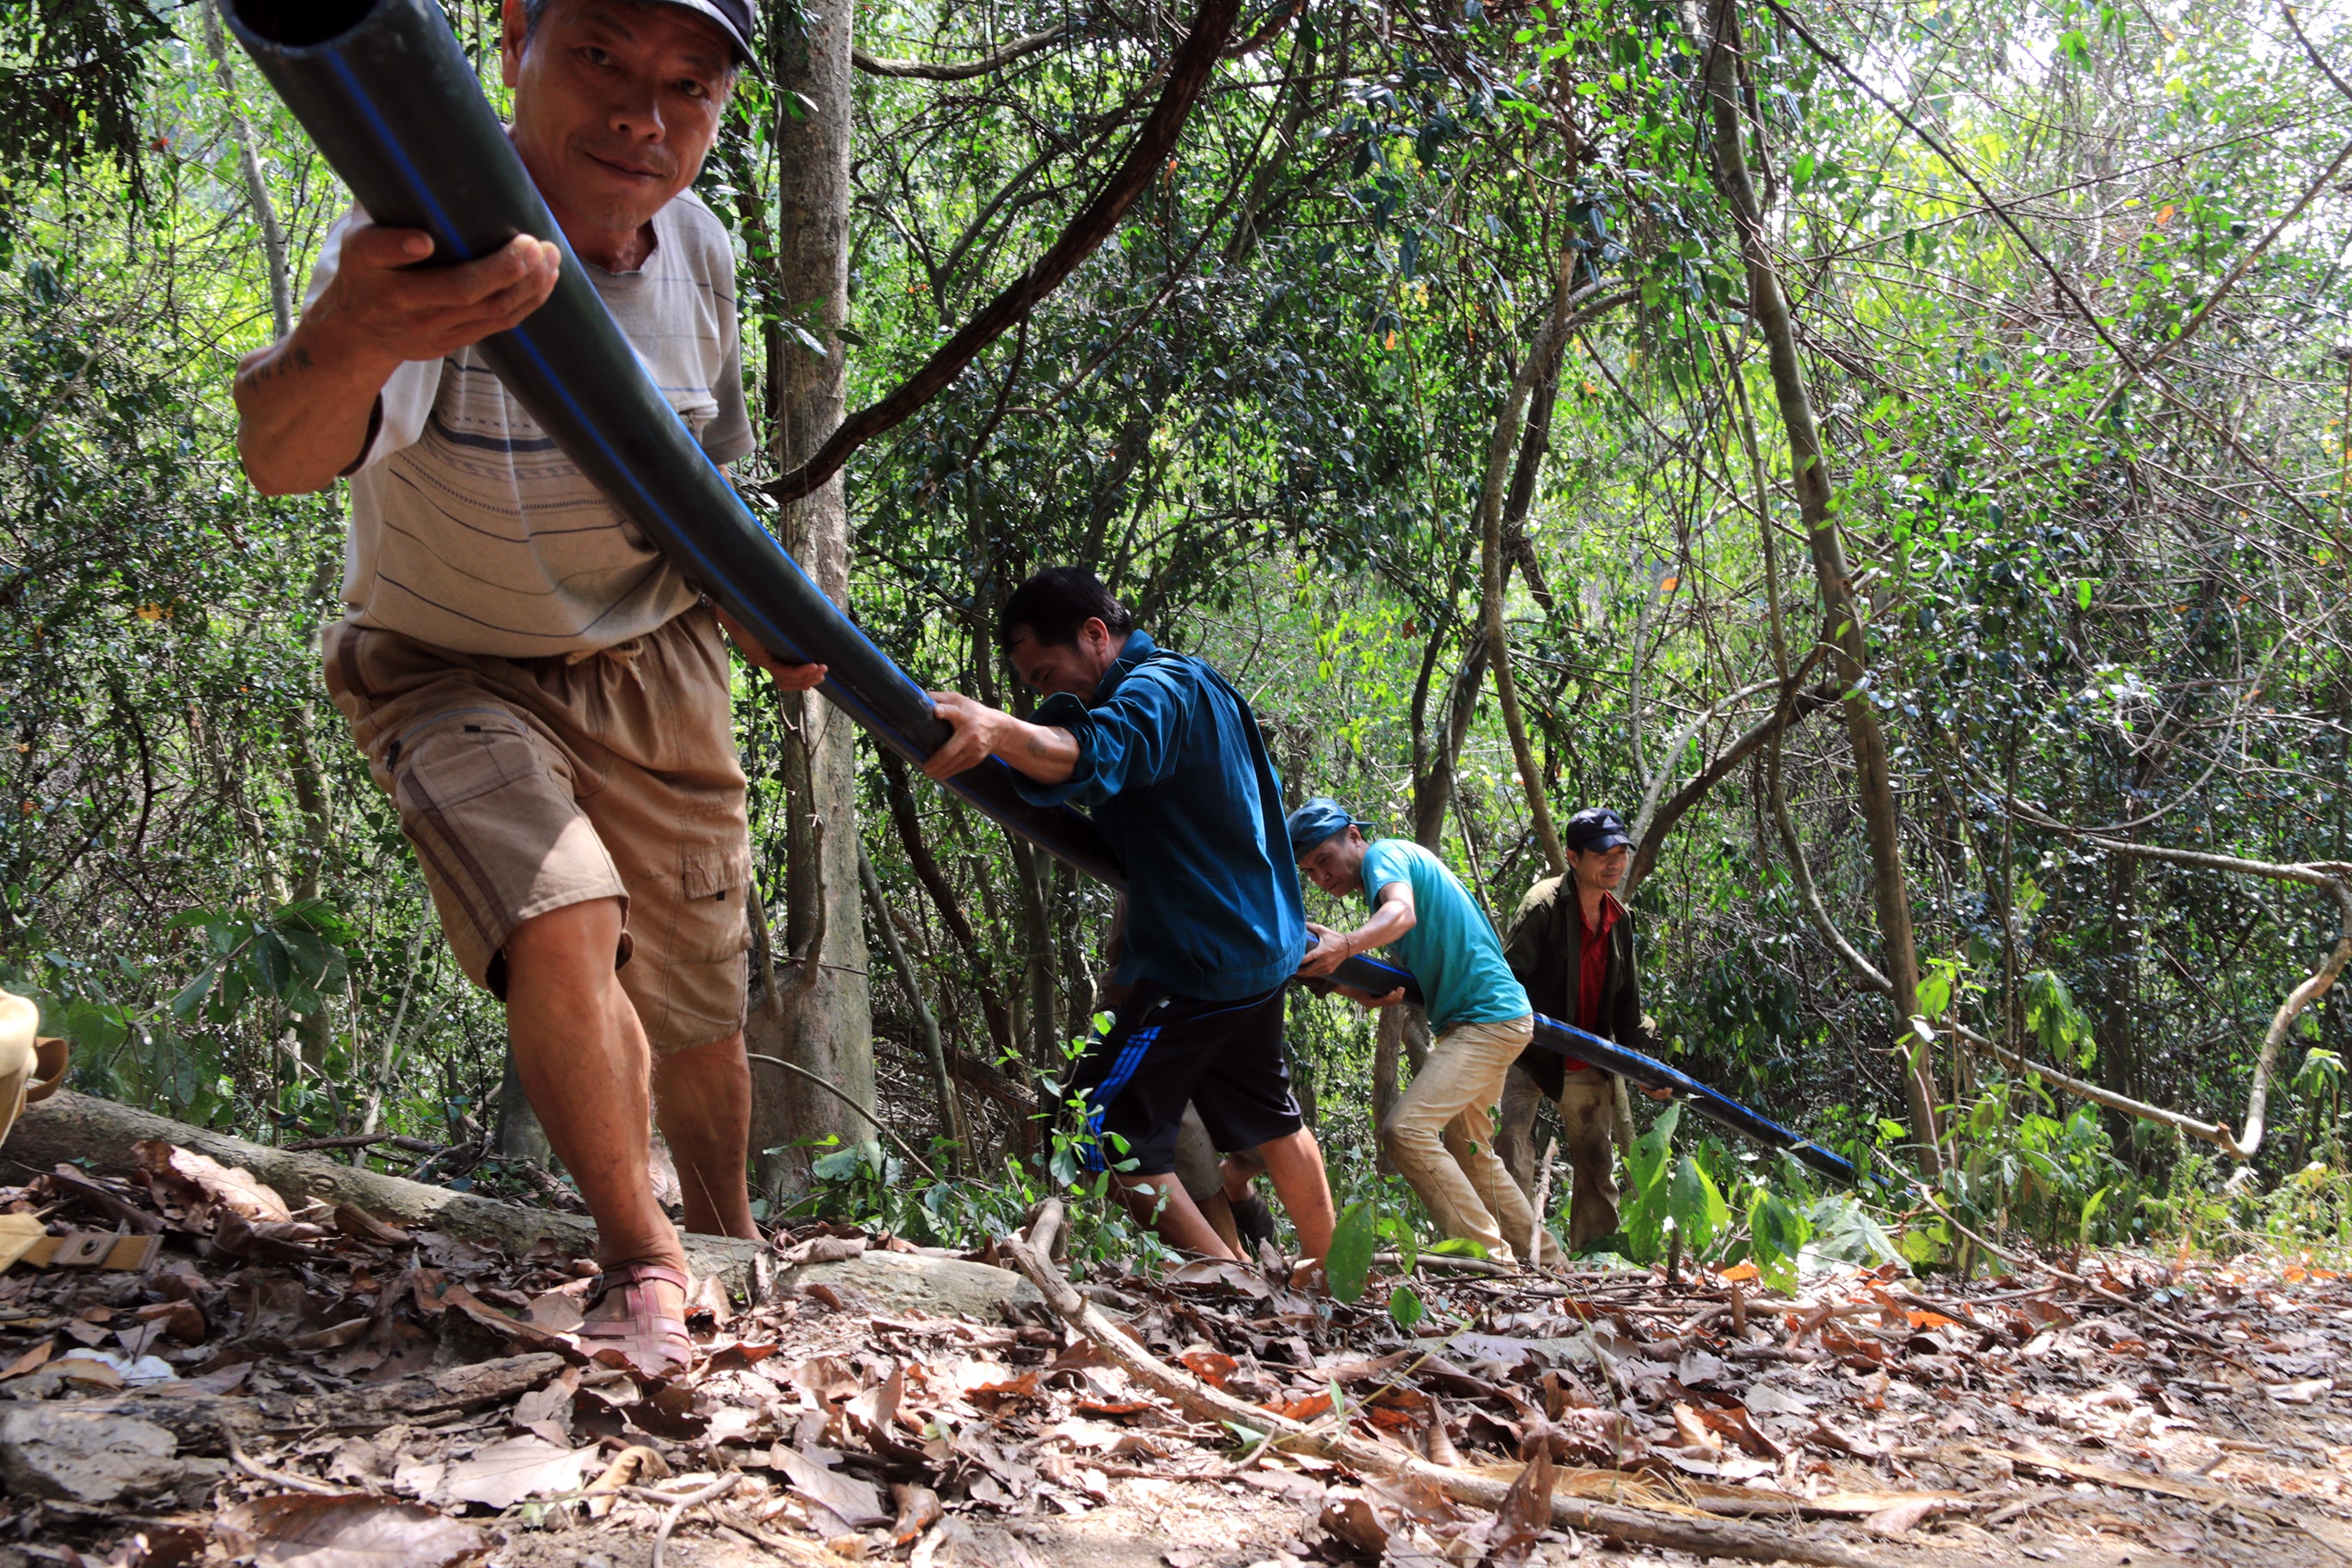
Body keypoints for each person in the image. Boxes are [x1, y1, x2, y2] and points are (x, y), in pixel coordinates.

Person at [231, 0, 822, 1377]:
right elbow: (279, 450)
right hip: (445, 657)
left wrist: (755, 605)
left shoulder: (703, 253)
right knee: (563, 914)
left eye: (688, 84)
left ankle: (728, 1234)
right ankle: (648, 1270)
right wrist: (355, 328)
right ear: (515, 46)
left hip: (650, 651)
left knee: (697, 1002)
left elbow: (706, 480)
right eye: (603, 58)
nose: (642, 115)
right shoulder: (427, 219)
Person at [922, 569, 1337, 1267]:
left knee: (1097, 1131)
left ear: (1095, 635)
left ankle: (1237, 1289)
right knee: (1272, 1117)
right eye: (1035, 686)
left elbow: (1098, 748)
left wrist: (997, 730)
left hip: (1199, 961)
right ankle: (1338, 1279)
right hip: (1261, 952)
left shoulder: (1157, 688)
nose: (1052, 692)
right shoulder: (1195, 683)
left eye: (1051, 672)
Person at [1292, 801, 1553, 1267]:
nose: (1321, 877)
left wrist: (1346, 943)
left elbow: (1402, 914)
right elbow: (1404, 969)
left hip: (1486, 1020)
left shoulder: (1384, 856)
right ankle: (1550, 1263)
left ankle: (1491, 1262)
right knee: (1470, 1151)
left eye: (1324, 860)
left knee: (1405, 1130)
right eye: (1309, 871)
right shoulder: (1393, 873)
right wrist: (1351, 980)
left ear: (1354, 836)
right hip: (1482, 1020)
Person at [1502, 805, 1663, 1253]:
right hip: (1527, 1052)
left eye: (1620, 852)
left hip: (1587, 1055)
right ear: (1573, 858)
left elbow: (1627, 1004)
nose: (1614, 862)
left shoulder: (1619, 918)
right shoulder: (1542, 905)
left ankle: (1595, 1259)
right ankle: (1516, 1256)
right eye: (1601, 854)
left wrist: (1644, 1063)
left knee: (1596, 1163)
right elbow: (1506, 978)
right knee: (1511, 1149)